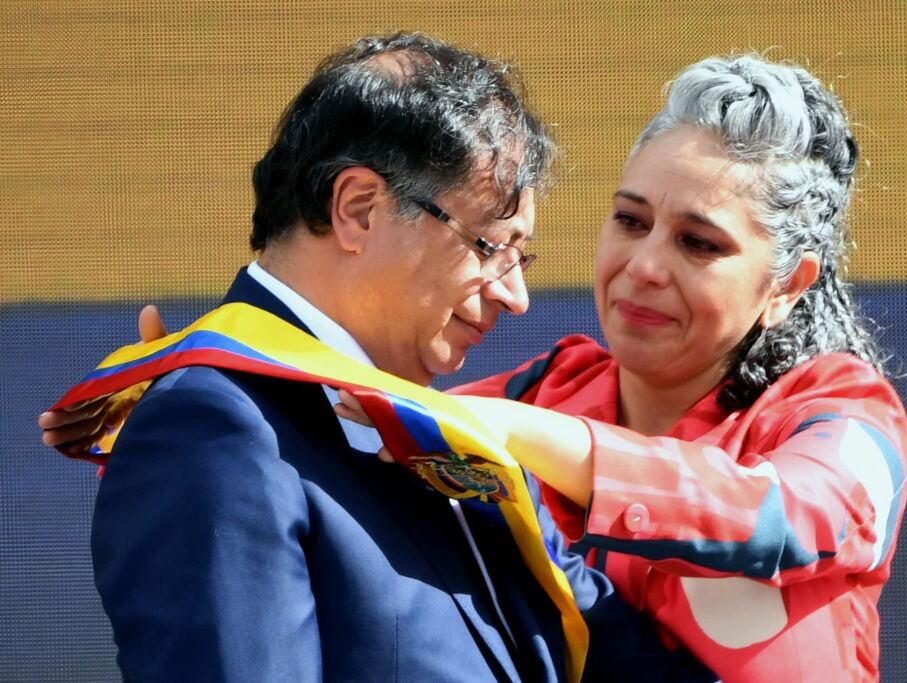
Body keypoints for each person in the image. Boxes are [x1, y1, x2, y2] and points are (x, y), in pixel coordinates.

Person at [38, 33, 713, 682]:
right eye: (488, 246)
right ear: (359, 208)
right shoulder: (212, 427)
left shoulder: (448, 433)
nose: (516, 296)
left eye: (521, 257)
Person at [383, 54, 907, 682]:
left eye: (699, 243)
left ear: (785, 287)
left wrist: (531, 437)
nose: (644, 266)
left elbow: (789, 519)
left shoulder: (845, 408)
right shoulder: (547, 390)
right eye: (631, 222)